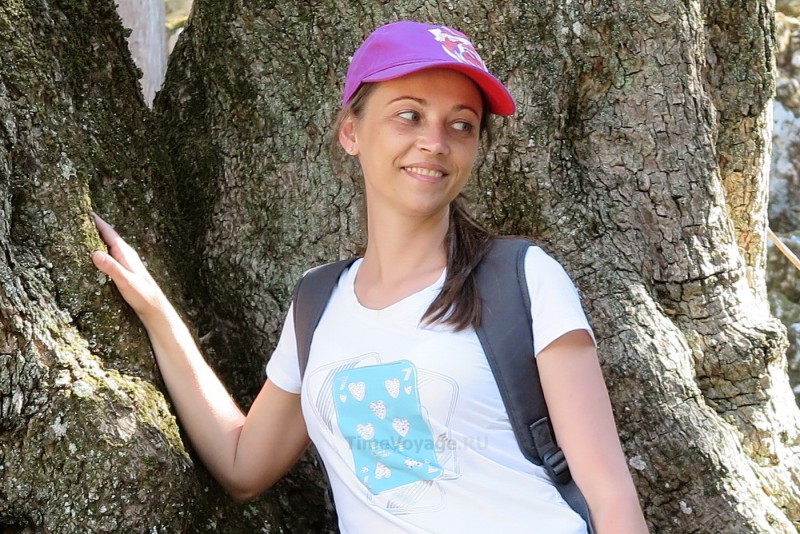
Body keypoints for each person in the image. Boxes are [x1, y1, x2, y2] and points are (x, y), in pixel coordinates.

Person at [92, 20, 647, 533]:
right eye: (409, 114)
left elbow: (610, 496)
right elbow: (243, 466)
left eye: (461, 124)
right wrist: (156, 313)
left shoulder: (524, 279)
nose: (435, 140)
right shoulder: (318, 302)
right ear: (351, 131)